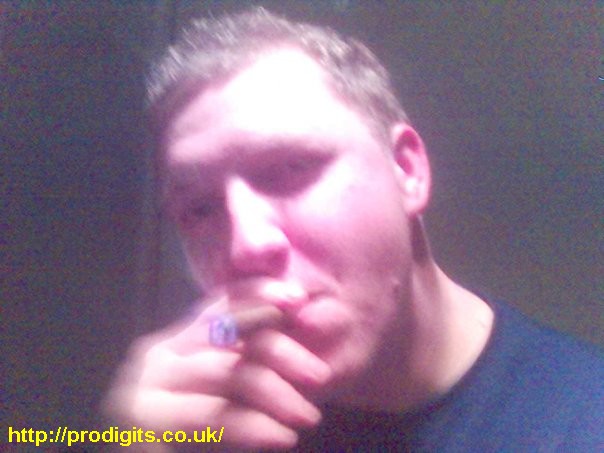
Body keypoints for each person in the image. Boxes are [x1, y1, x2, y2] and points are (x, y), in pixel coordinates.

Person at [103, 7, 603, 451]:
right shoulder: (198, 428)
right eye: (199, 209)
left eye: (292, 168)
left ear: (406, 171)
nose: (246, 246)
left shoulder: (583, 421)